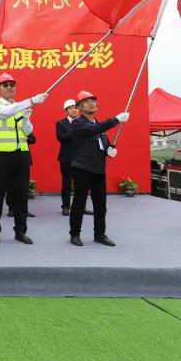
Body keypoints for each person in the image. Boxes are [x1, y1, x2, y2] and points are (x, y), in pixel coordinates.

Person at [0, 73, 46, 245]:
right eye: (5, 85)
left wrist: (26, 117)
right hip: (1, 156)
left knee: (21, 196)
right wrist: (31, 101)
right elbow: (6, 112)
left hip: (21, 156)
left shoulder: (19, 107)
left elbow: (27, 131)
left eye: (12, 84)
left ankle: (20, 231)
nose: (9, 87)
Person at [68, 90, 128, 247]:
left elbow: (103, 144)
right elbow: (91, 131)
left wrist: (109, 151)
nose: (91, 103)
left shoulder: (100, 127)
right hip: (82, 168)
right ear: (80, 107)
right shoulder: (77, 123)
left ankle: (100, 234)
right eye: (87, 101)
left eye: (93, 101)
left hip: (99, 169)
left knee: (101, 204)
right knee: (79, 202)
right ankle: (75, 234)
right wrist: (116, 119)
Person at [57, 99, 91, 217]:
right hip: (66, 158)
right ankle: (66, 207)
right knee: (66, 184)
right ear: (66, 111)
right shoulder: (61, 123)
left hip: (82, 158)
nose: (74, 110)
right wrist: (74, 129)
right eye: (70, 108)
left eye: (75, 108)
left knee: (82, 184)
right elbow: (62, 138)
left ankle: (82, 207)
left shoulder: (84, 122)